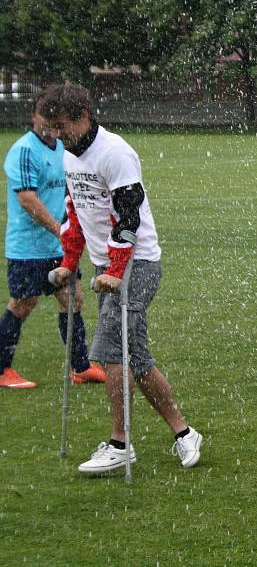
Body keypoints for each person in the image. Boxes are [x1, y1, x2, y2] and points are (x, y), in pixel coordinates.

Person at [42, 83, 203, 473]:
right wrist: (70, 261)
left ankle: (120, 444)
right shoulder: (71, 157)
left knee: (111, 350)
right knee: (137, 357)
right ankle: (184, 433)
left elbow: (129, 218)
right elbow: (76, 213)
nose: (56, 135)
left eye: (61, 126)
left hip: (138, 264)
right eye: (51, 128)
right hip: (107, 269)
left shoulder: (114, 153)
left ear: (82, 116)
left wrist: (116, 272)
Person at [0, 88, 105, 389]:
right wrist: (61, 230)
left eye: (54, 121)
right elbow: (27, 200)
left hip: (57, 246)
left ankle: (81, 367)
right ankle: (2, 369)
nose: (49, 126)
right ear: (34, 116)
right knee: (23, 303)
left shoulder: (61, 148)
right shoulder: (24, 150)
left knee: (72, 298)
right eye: (44, 118)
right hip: (28, 247)